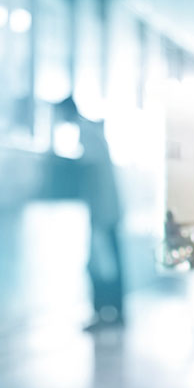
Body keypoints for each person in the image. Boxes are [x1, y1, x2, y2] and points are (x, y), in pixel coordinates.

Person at [54, 95, 126, 331]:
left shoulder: (86, 132)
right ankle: (114, 313)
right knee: (110, 261)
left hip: (102, 210)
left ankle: (104, 313)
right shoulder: (92, 130)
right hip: (108, 208)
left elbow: (87, 164)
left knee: (101, 264)